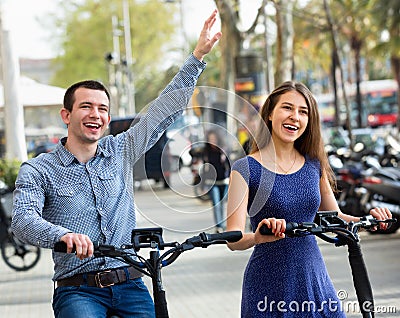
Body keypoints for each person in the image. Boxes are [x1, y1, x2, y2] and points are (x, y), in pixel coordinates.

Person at [11, 10, 221, 318]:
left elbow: (162, 112)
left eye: (102, 109)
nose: (95, 114)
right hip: (78, 289)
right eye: (86, 106)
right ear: (66, 115)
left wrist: (198, 56)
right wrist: (62, 236)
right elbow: (22, 220)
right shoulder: (39, 170)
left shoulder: (120, 150)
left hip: (130, 283)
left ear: (108, 118)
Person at [225, 81, 392, 317]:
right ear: (270, 113)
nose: (295, 117)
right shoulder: (245, 169)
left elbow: (337, 221)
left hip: (314, 279)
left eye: (303, 112)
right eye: (287, 108)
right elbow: (233, 239)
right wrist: (257, 237)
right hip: (268, 286)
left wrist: (369, 219)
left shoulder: (314, 165)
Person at [200, 129, 230, 233]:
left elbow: (230, 166)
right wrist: (202, 185)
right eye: (210, 139)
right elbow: (204, 169)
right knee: (216, 203)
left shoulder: (224, 150)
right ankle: (219, 226)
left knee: (223, 204)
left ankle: (223, 223)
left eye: (214, 138)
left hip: (224, 181)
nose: (212, 140)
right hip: (212, 183)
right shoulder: (206, 152)